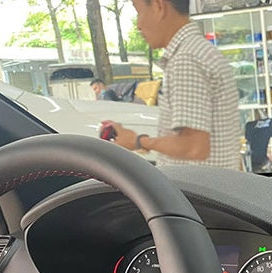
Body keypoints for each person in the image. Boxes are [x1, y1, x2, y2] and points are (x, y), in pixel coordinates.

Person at [103, 0, 240, 168]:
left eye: (139, 12)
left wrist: (139, 141)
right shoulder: (202, 51)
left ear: (158, 6)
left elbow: (194, 147)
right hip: (217, 181)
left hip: (195, 184)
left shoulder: (185, 60)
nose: (138, 25)